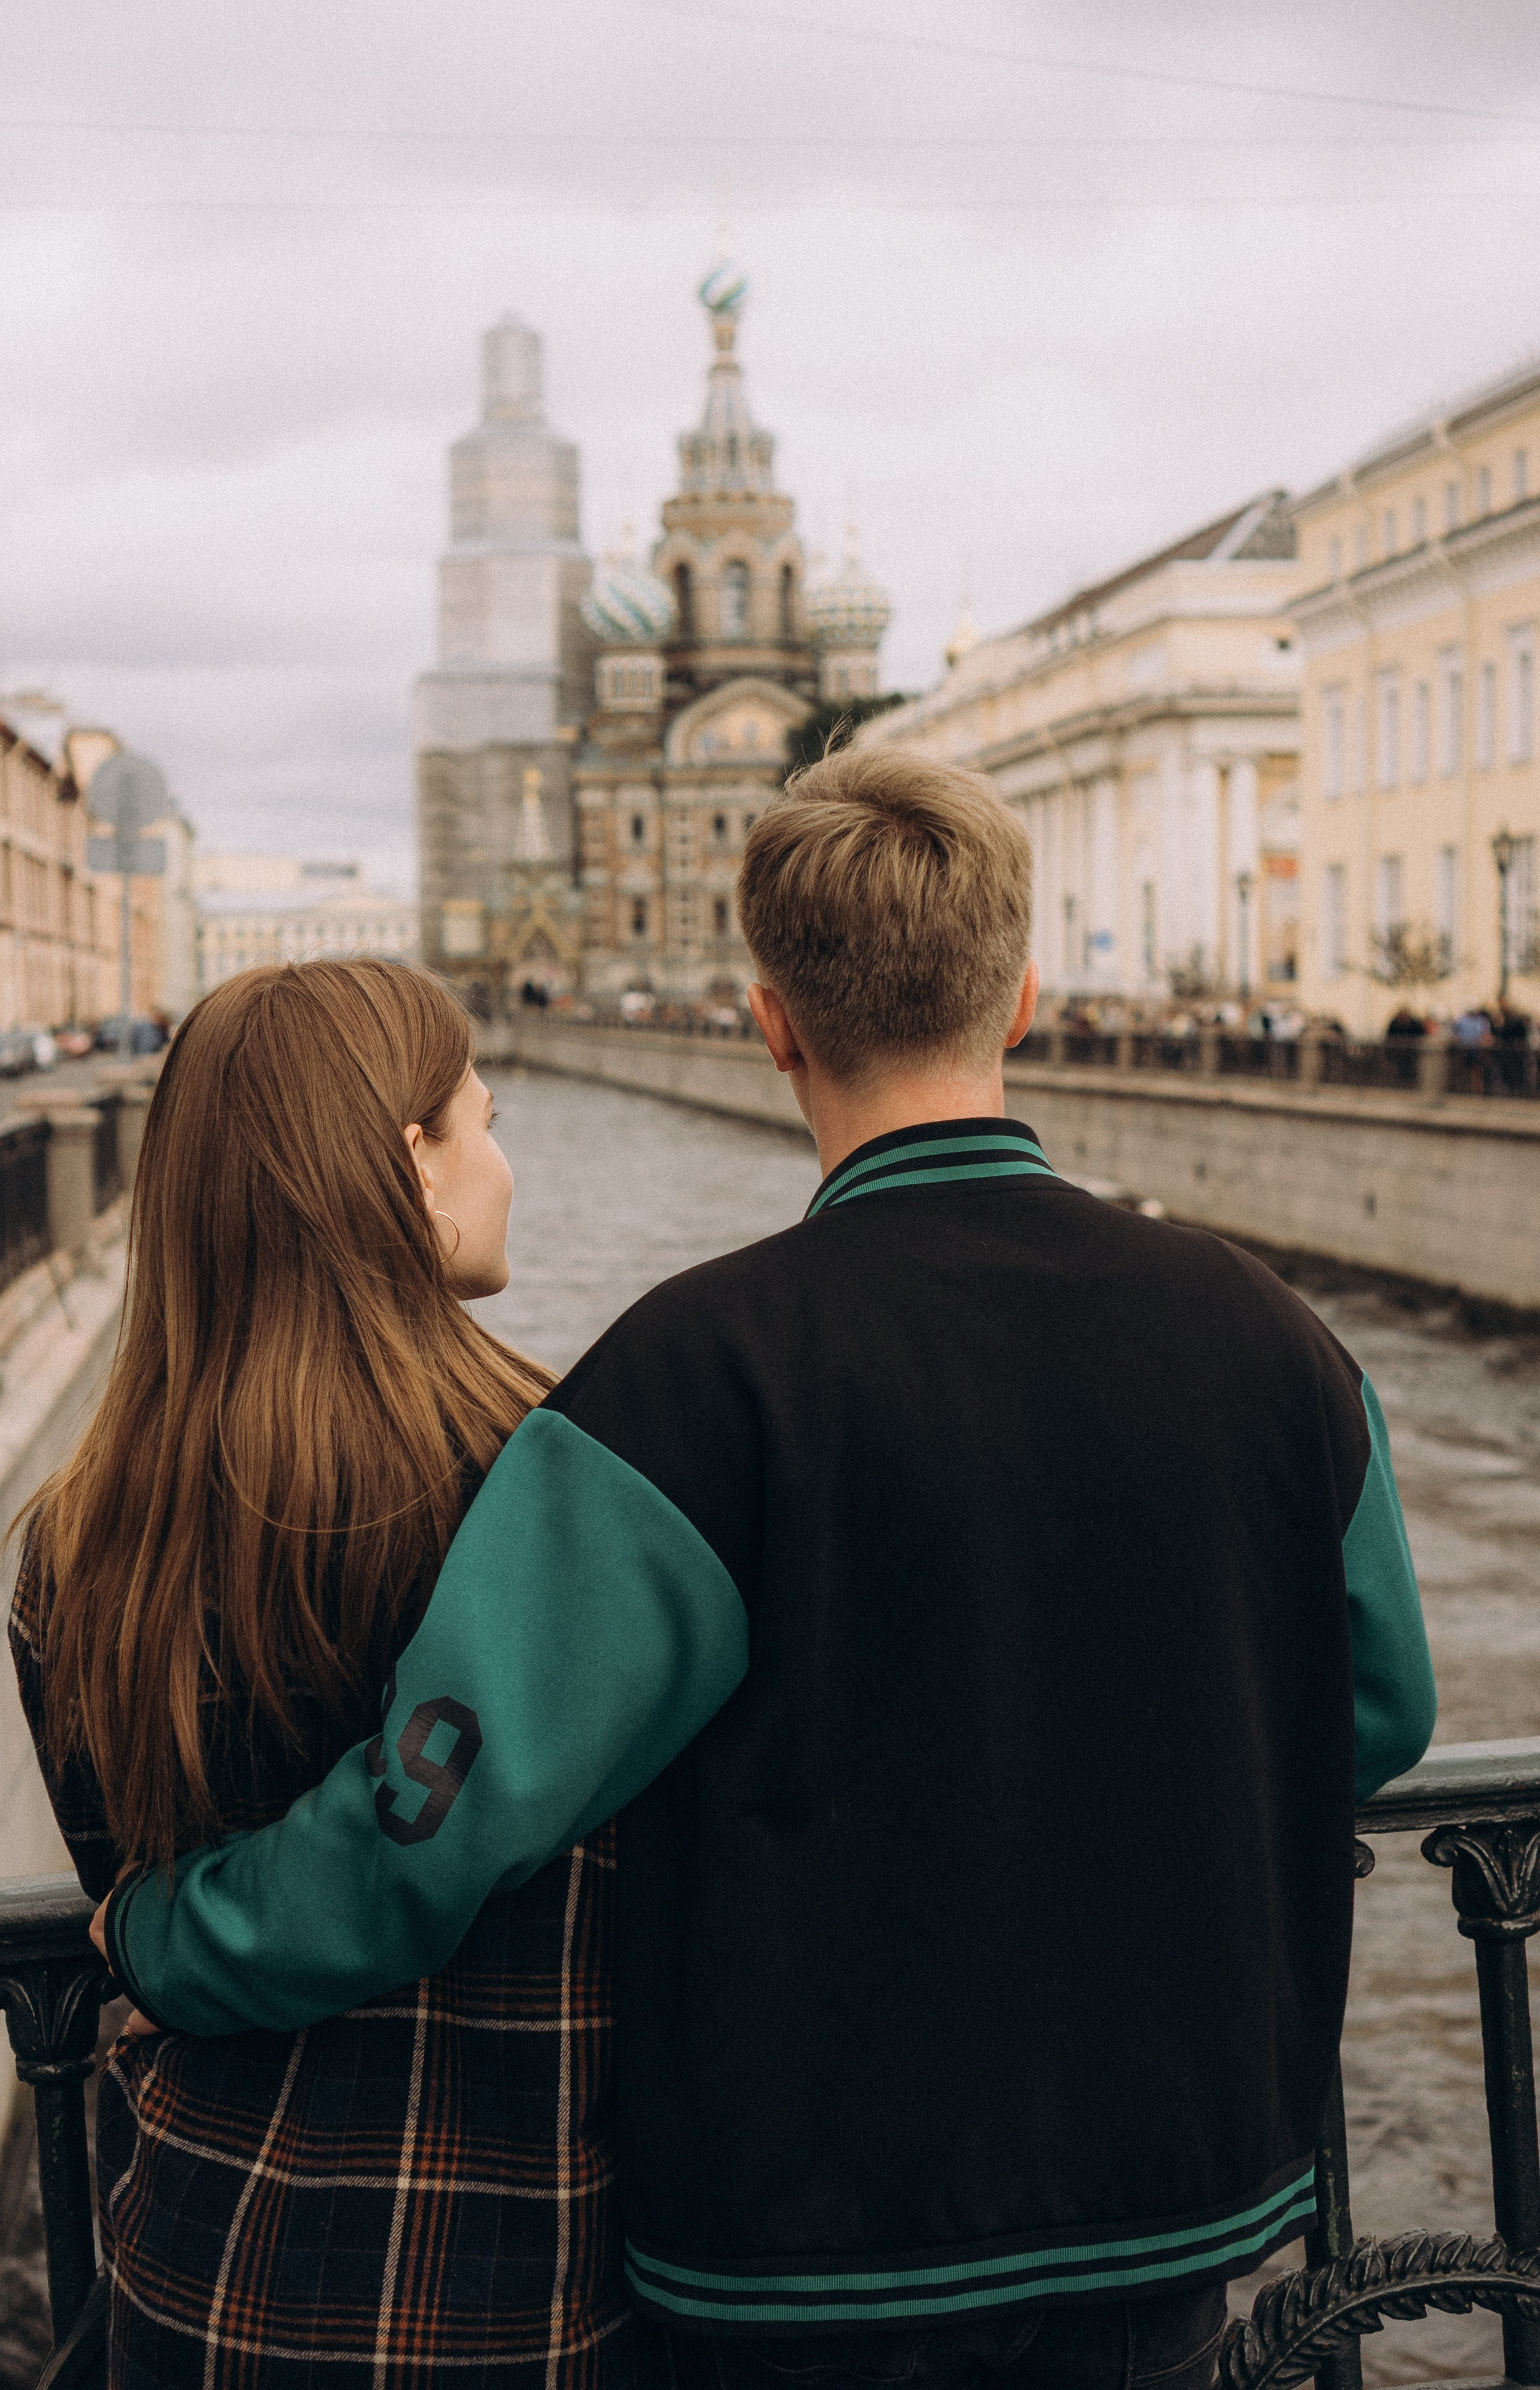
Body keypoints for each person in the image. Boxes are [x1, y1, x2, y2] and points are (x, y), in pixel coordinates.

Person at [95, 753, 1437, 2390]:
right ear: (1020, 997)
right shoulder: (1283, 1348)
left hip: (816, 2259)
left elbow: (436, 1810)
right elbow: (1375, 1707)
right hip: (1184, 2196)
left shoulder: (692, 1379)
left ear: (772, 1023)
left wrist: (171, 1942)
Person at [11, 958, 724, 2390]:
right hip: (526, 2288)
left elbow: (123, 1885)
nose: (503, 1163)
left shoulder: (81, 1544)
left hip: (196, 2277)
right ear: (411, 1165)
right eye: (485, 1120)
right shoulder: (557, 1488)